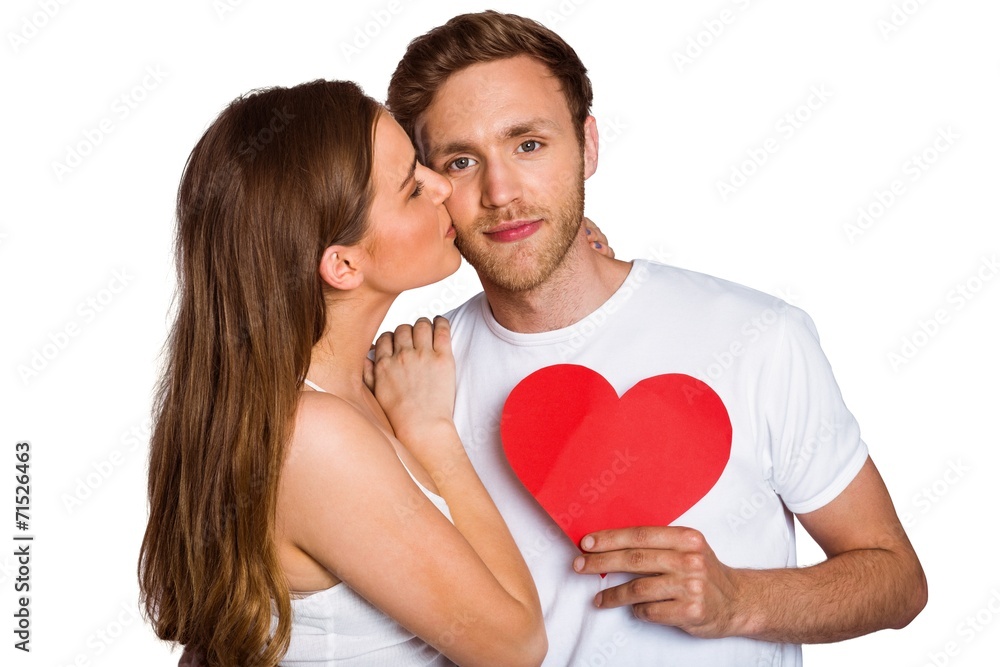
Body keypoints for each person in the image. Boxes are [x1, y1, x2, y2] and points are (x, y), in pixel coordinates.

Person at [385, 10, 927, 665]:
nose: (501, 192)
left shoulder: (758, 337)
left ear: (587, 145)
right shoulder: (406, 387)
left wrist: (740, 598)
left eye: (528, 144)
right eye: (463, 160)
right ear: (430, 183)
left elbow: (896, 579)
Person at [137, 79, 551, 666]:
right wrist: (433, 438)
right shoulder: (315, 438)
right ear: (343, 264)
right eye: (412, 188)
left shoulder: (343, 385)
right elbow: (515, 648)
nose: (441, 184)